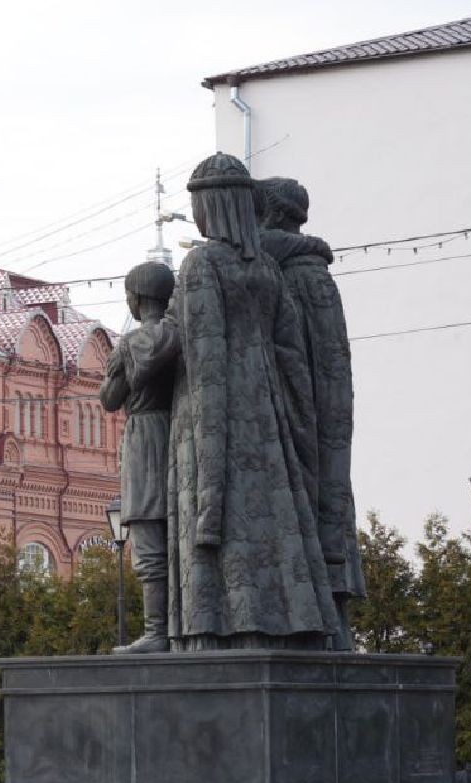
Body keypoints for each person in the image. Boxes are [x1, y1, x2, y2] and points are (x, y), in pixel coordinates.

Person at [165, 152, 338, 650]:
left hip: (209, 421)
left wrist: (209, 495)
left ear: (211, 206)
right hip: (269, 421)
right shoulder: (265, 267)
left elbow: (205, 360)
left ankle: (213, 629)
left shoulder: (200, 265)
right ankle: (285, 622)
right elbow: (294, 362)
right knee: (275, 520)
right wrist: (296, 430)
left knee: (228, 528)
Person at [257, 176, 366, 650]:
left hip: (302, 416)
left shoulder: (295, 272)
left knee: (315, 510)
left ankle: (326, 625)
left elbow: (321, 360)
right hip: (311, 415)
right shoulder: (306, 271)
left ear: (274, 215)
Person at [99, 259, 179, 653]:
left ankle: (156, 632)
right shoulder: (181, 332)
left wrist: (119, 365)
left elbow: (109, 399)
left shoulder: (131, 342)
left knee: (148, 540)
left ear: (137, 298)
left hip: (145, 437)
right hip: (178, 434)